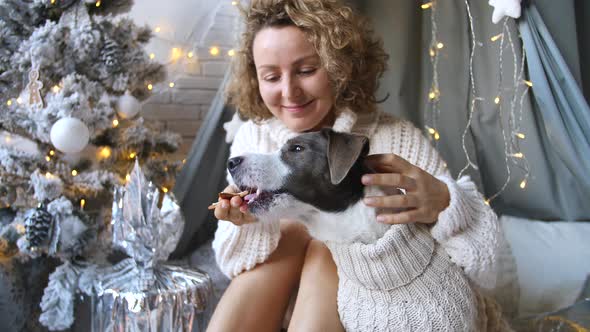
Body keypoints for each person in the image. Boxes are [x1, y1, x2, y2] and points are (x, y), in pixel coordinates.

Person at [207, 0, 509, 331]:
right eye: (271, 76)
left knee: (329, 240)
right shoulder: (253, 139)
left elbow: (487, 265)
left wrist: (446, 202)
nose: (289, 91)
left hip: (372, 301)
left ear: (338, 66)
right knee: (296, 229)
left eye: (307, 70)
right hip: (280, 297)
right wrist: (249, 220)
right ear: (256, 79)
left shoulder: (394, 140)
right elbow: (231, 263)